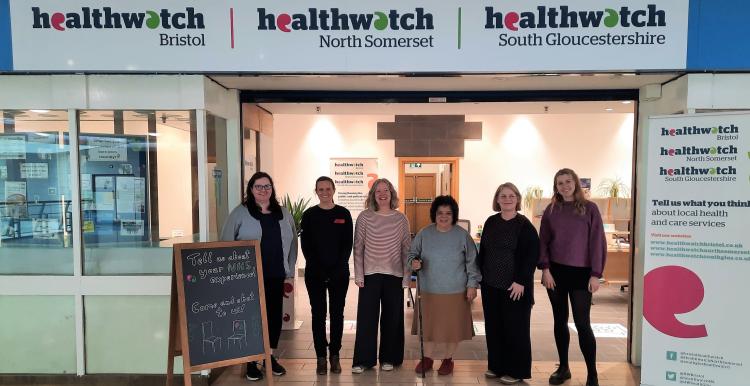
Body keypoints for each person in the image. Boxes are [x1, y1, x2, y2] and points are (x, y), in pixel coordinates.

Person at [220, 171, 297, 382]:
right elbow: (226, 241)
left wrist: (289, 271)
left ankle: (269, 357)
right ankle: (251, 361)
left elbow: (293, 245)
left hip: (276, 274)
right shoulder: (240, 213)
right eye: (258, 186)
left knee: (273, 316)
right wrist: (231, 274)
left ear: (272, 189)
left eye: (267, 186)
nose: (263, 190)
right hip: (248, 276)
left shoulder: (283, 212)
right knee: (251, 317)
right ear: (251, 190)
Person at [538, 168, 607, 386]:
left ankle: (592, 374)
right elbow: (543, 242)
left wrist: (596, 274)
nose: (565, 186)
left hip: (581, 274)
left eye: (568, 182)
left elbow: (598, 242)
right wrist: (545, 269)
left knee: (582, 323)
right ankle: (564, 368)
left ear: (576, 183)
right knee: (560, 321)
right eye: (560, 183)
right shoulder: (551, 210)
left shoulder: (590, 208)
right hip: (555, 273)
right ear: (555, 187)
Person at [408, 195, 480, 376]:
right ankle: (428, 358)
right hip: (428, 290)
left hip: (455, 290)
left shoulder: (462, 235)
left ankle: (448, 359)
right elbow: (411, 255)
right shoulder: (424, 233)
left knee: (450, 329)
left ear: (454, 215)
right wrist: (413, 263)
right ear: (434, 214)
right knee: (429, 328)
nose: (444, 216)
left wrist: (472, 285)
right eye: (440, 213)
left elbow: (472, 262)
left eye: (448, 213)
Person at [478, 183, 539, 385]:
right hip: (491, 285)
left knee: (516, 329)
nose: (507, 199)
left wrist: (521, 281)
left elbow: (531, 256)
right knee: (494, 327)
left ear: (517, 199)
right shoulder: (491, 222)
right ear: (497, 200)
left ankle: (516, 370)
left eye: (511, 196)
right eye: (503, 196)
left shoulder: (524, 225)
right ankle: (497, 366)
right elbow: (484, 251)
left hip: (515, 287)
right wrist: (479, 276)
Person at [351, 178, 411, 374]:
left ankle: (389, 358)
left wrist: (406, 277)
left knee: (392, 318)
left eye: (386, 190)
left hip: (394, 275)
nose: (383, 194)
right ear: (373, 195)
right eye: (378, 191)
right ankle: (363, 360)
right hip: (369, 275)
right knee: (367, 318)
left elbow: (406, 250)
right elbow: (358, 247)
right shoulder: (364, 217)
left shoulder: (401, 219)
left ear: (392, 194)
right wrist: (358, 275)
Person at [300, 176, 353, 375]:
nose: (324, 192)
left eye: (328, 188)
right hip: (315, 274)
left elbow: (347, 244)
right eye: (320, 189)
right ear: (316, 191)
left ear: (334, 189)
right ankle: (321, 357)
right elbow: (306, 246)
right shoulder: (309, 215)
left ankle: (335, 356)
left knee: (337, 314)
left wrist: (336, 268)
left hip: (339, 273)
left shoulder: (343, 214)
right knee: (318, 315)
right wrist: (321, 270)